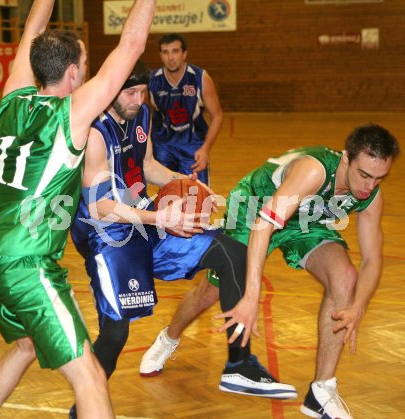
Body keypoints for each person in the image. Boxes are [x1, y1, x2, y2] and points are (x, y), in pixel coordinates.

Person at [67, 60, 297, 418]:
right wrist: (160, 217)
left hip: (145, 217)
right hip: (109, 234)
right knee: (115, 336)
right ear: (110, 90)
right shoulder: (94, 132)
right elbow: (99, 206)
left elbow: (146, 167)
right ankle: (81, 411)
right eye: (130, 91)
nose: (139, 98)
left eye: (143, 91)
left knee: (231, 252)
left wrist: (185, 181)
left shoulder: (140, 113)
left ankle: (238, 364)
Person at [0, 1, 156, 418]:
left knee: (27, 345)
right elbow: (133, 44)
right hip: (25, 259)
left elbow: (32, 27)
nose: (88, 71)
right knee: (89, 376)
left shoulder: (11, 98)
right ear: (73, 73)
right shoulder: (70, 115)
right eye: (85, 63)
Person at [142, 124, 400, 419]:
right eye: (364, 174)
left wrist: (357, 307)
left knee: (346, 278)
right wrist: (251, 296)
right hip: (255, 208)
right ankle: (169, 337)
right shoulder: (314, 171)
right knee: (212, 292)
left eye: (379, 178)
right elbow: (263, 225)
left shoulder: (370, 196)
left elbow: (372, 260)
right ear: (346, 159)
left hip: (303, 221)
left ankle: (321, 391)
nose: (369, 185)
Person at [149, 33, 222, 185]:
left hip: (193, 147)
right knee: (168, 197)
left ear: (184, 54)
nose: (170, 57)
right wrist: (146, 149)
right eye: (165, 52)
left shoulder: (200, 78)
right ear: (160, 55)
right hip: (163, 147)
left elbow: (217, 116)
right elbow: (143, 116)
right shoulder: (151, 80)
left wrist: (205, 149)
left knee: (198, 197)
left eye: (175, 51)